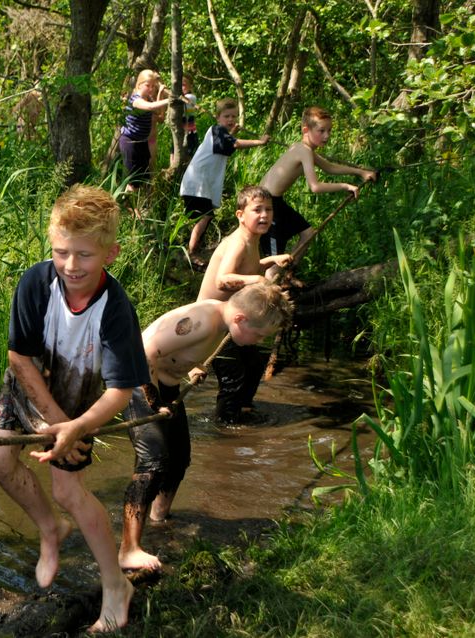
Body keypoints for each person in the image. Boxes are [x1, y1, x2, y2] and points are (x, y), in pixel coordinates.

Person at [0, 184, 147, 633]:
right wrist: (55, 422)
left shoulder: (116, 310)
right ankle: (50, 529)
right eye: (61, 252)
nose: (71, 265)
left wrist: (74, 426)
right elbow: (19, 357)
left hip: (78, 401)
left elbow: (120, 391)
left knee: (69, 492)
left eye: (84, 255)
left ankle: (116, 586)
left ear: (110, 253)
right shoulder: (36, 283)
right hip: (31, 382)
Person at [119, 281, 293, 571]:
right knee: (153, 463)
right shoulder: (203, 322)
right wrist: (153, 403)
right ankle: (129, 549)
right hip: (138, 382)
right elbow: (144, 351)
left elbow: (176, 350)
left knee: (179, 460)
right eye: (259, 334)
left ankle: (159, 520)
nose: (259, 341)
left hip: (166, 386)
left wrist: (190, 368)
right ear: (240, 318)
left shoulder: (222, 325)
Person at [197, 185, 292, 425]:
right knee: (233, 376)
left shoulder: (251, 240)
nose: (264, 215)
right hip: (212, 323)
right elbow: (223, 279)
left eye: (268, 210)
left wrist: (272, 260)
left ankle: (244, 410)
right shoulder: (238, 242)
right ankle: (225, 425)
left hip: (229, 320)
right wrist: (258, 280)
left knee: (254, 363)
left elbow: (248, 267)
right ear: (240, 215)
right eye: (257, 210)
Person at [259, 106, 376, 271]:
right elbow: (315, 187)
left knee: (307, 233)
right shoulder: (303, 150)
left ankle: (287, 273)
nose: (326, 135)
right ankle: (271, 280)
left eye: (329, 130)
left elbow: (330, 167)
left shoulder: (304, 149)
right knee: (273, 263)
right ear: (305, 130)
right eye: (321, 131)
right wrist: (345, 186)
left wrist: (361, 172)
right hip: (266, 204)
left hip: (275, 201)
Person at [180, 98, 270, 267]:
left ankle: (192, 249)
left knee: (204, 217)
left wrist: (232, 133)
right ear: (217, 117)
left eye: (234, 116)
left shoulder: (221, 134)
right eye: (226, 116)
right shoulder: (217, 129)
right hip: (196, 183)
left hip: (200, 184)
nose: (230, 120)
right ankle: (191, 253)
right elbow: (235, 144)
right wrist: (259, 142)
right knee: (205, 216)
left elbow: (226, 145)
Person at [119, 70, 172, 193]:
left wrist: (160, 94)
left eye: (153, 86)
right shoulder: (135, 99)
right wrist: (170, 99)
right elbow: (149, 107)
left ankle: (138, 203)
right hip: (130, 142)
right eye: (148, 85)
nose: (151, 89)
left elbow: (157, 112)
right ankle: (127, 203)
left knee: (143, 178)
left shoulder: (148, 99)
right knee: (133, 181)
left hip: (142, 142)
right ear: (139, 85)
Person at [180, 75, 200, 158]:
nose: (181, 88)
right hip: (182, 130)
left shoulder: (191, 97)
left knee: (189, 152)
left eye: (183, 85)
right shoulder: (183, 97)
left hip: (189, 131)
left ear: (190, 86)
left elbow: (179, 100)